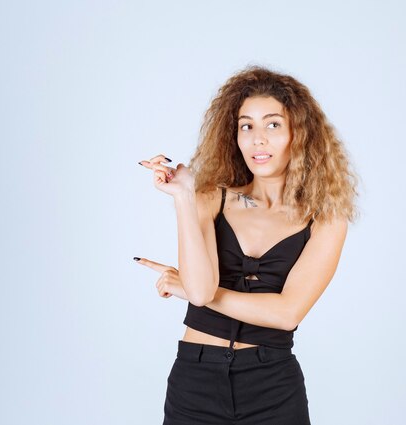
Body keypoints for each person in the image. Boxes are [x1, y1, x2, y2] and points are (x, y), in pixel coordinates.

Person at [136, 65, 359, 425]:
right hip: (195, 381)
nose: (258, 139)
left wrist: (192, 290)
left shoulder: (326, 219)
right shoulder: (210, 198)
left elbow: (287, 313)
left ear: (298, 135)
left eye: (272, 124)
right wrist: (183, 196)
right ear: (234, 135)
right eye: (246, 126)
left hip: (272, 385)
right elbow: (200, 289)